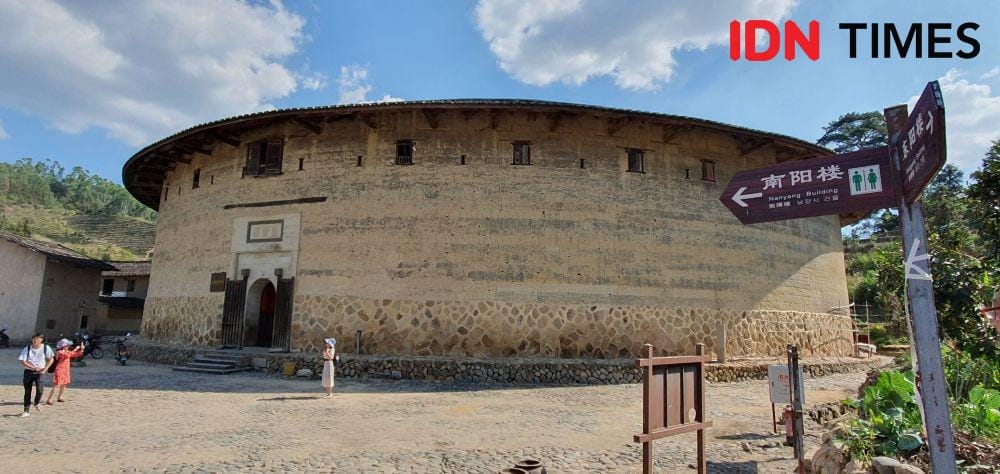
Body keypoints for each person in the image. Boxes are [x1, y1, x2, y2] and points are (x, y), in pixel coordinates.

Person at [17, 334, 54, 417]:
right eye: (33, 339)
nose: (34, 341)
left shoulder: (45, 348)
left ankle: (36, 402)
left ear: (41, 340)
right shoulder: (27, 348)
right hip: (29, 371)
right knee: (27, 391)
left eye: (37, 339)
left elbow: (51, 359)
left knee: (40, 390)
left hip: (40, 372)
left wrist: (45, 369)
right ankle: (26, 410)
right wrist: (33, 368)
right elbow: (23, 361)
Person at [46, 338, 84, 405]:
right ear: (62, 346)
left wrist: (82, 349)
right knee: (56, 384)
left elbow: (76, 354)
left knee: (64, 384)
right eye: (66, 345)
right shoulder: (59, 352)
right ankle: (49, 399)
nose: (68, 346)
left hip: (66, 370)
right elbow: (68, 354)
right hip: (60, 369)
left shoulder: (67, 351)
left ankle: (60, 397)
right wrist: (76, 349)